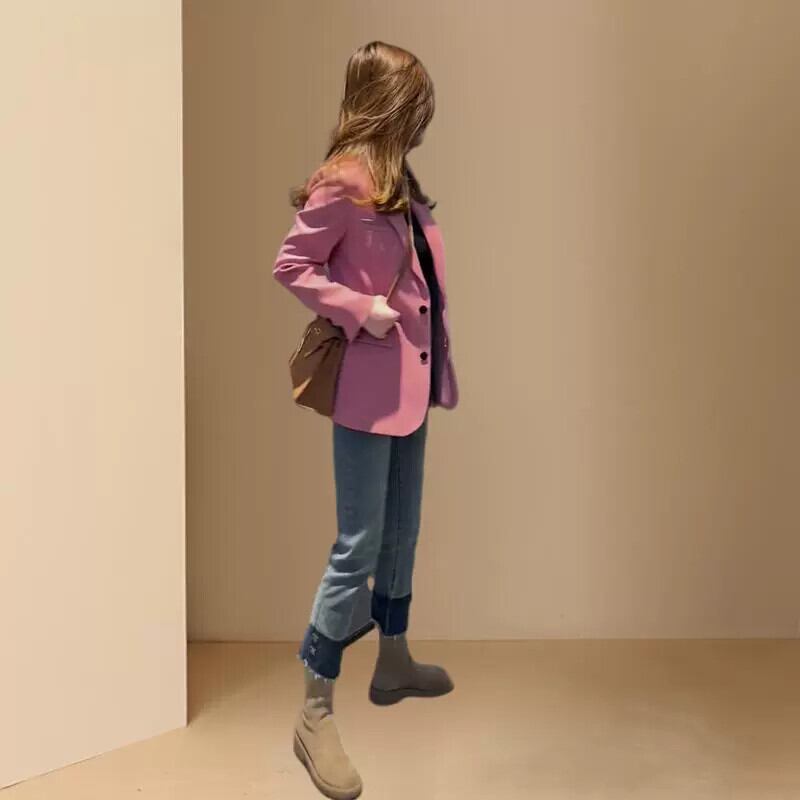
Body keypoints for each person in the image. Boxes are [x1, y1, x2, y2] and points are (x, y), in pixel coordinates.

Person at [272, 40, 459, 800]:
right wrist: (359, 309)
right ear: (388, 106)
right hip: (368, 387)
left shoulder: (396, 181)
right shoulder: (343, 182)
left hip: (413, 382)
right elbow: (292, 265)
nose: (422, 121)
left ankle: (393, 659)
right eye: (414, 107)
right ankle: (313, 712)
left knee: (402, 530)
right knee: (358, 544)